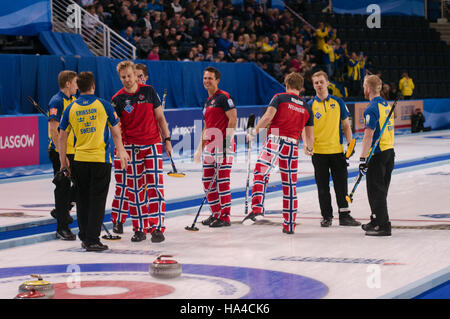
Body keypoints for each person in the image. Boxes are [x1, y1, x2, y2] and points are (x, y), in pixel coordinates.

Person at [58, 71, 129, 251]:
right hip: (100, 160)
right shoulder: (103, 105)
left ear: (79, 88)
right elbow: (115, 131)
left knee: (82, 199)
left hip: (79, 160)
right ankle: (92, 239)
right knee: (97, 200)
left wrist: (63, 160)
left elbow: (62, 136)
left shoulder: (71, 108)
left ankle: (84, 236)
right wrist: (121, 151)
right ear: (93, 86)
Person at [242, 72, 314, 235]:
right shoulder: (306, 106)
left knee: (260, 173)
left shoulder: (280, 97)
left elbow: (268, 117)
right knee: (290, 186)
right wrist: (309, 148)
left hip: (275, 141)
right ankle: (289, 225)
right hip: (292, 146)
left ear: (286, 85)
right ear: (301, 88)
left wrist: (253, 133)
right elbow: (309, 135)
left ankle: (257, 209)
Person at [110, 61, 172, 243]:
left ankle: (157, 228)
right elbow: (116, 129)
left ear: (135, 75)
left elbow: (160, 118)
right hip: (131, 149)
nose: (127, 80)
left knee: (155, 188)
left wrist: (167, 140)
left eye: (129, 76)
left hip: (152, 145)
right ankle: (139, 229)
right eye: (123, 77)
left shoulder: (149, 91)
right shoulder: (117, 99)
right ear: (120, 77)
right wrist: (121, 150)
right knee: (135, 191)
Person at [308, 71, 360, 228]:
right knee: (322, 188)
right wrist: (307, 144)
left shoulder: (338, 102)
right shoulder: (310, 105)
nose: (319, 85)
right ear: (313, 85)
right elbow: (306, 128)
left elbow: (345, 125)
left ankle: (344, 215)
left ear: (327, 83)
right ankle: (326, 216)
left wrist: (350, 144)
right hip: (318, 153)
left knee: (341, 186)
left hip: (337, 152)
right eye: (316, 82)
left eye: (321, 82)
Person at [194, 66, 237, 228]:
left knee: (222, 181)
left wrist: (226, 142)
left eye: (210, 78)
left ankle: (225, 217)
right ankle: (216, 213)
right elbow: (206, 126)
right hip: (210, 147)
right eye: (205, 78)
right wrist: (200, 149)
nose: (207, 81)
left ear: (217, 80)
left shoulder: (224, 97)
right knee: (207, 181)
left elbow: (233, 119)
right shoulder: (207, 102)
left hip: (223, 144)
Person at [359, 75, 395, 236]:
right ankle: (375, 219)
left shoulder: (371, 108)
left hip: (378, 153)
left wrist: (362, 158)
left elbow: (368, 135)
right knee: (380, 189)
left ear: (367, 88)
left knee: (376, 190)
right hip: (389, 152)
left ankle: (383, 225)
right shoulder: (386, 105)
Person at [47, 70, 78, 241]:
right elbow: (54, 132)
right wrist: (62, 157)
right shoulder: (57, 101)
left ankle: (61, 210)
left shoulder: (73, 100)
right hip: (60, 152)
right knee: (63, 188)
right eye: (75, 82)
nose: (77, 86)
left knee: (80, 185)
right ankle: (62, 228)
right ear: (68, 84)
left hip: (74, 151)